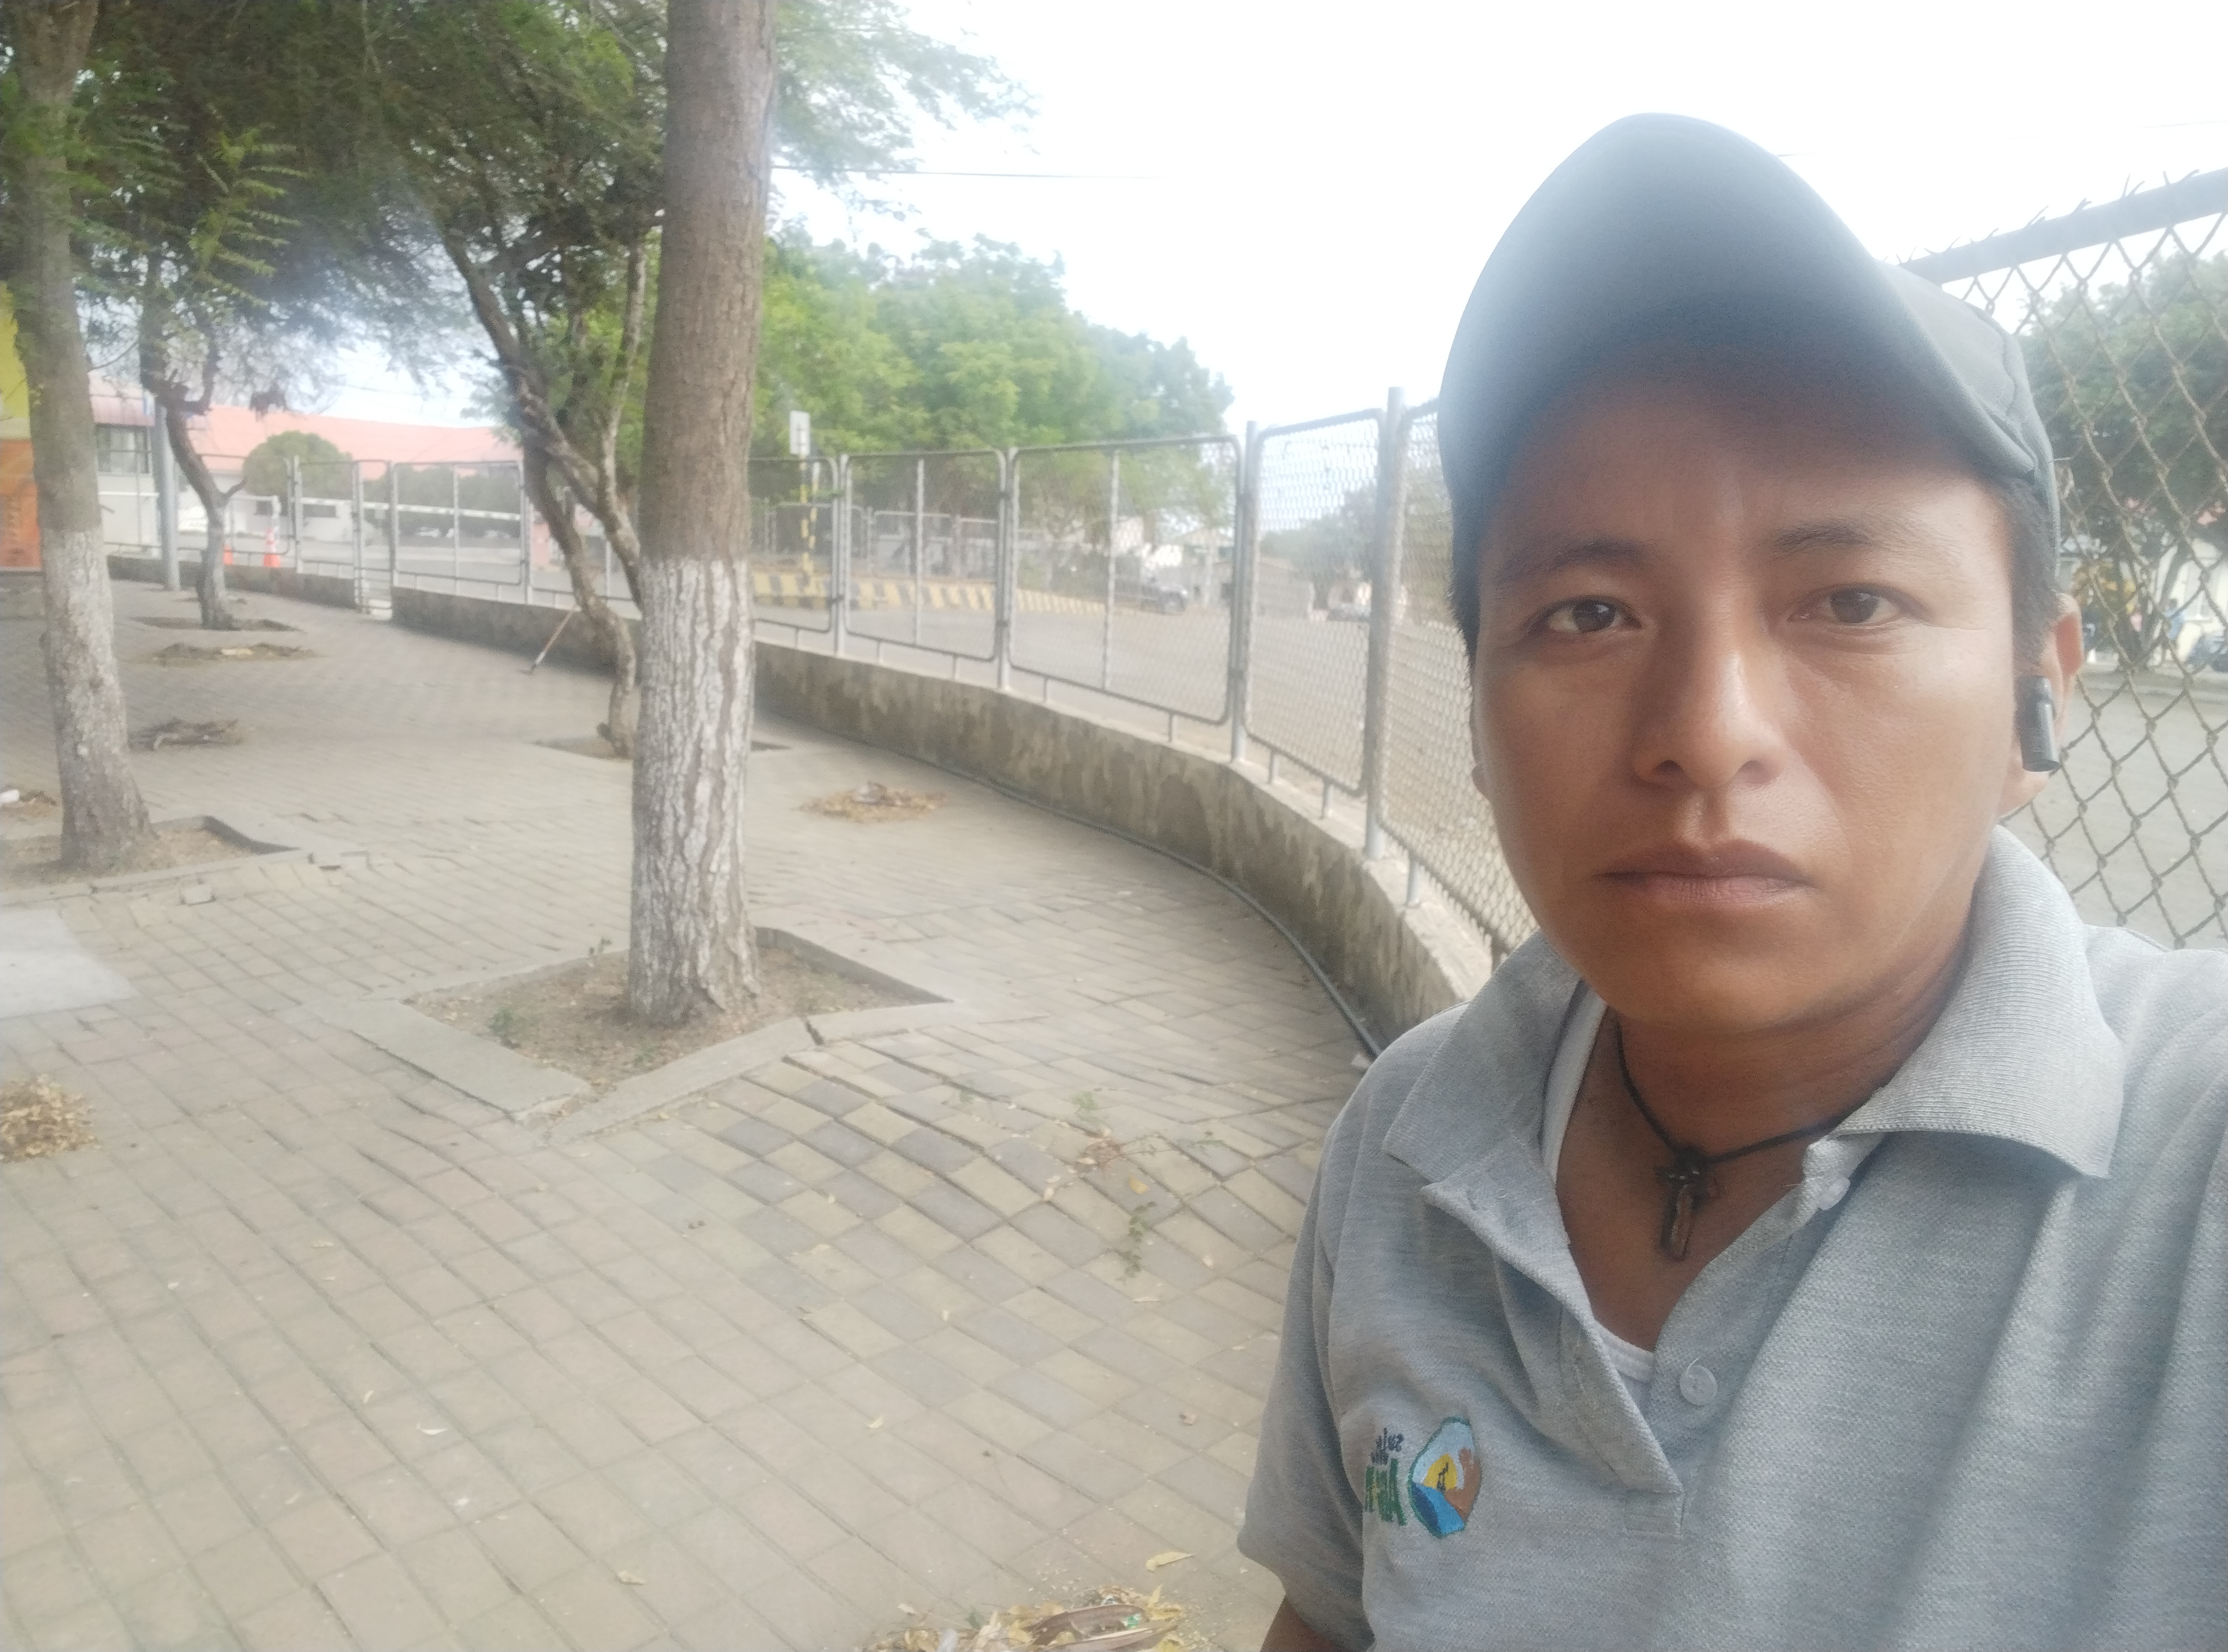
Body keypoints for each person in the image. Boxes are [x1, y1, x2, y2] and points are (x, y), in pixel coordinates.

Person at [1238, 115, 2226, 1651]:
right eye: (1587, 614)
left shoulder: (2194, 1167)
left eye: (1851, 600)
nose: (1706, 735)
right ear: (1480, 715)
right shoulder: (1409, 1138)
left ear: (2037, 698)